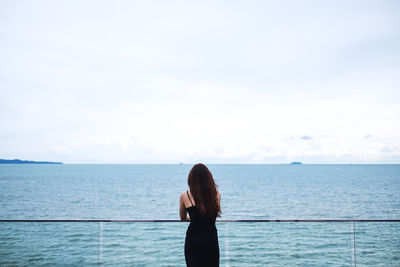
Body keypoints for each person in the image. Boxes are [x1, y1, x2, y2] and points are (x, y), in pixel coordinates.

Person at [179, 163, 221, 267]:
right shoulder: (216, 195)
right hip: (210, 238)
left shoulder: (185, 196)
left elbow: (183, 218)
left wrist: (193, 218)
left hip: (194, 239)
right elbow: (212, 215)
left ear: (191, 179)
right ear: (209, 178)